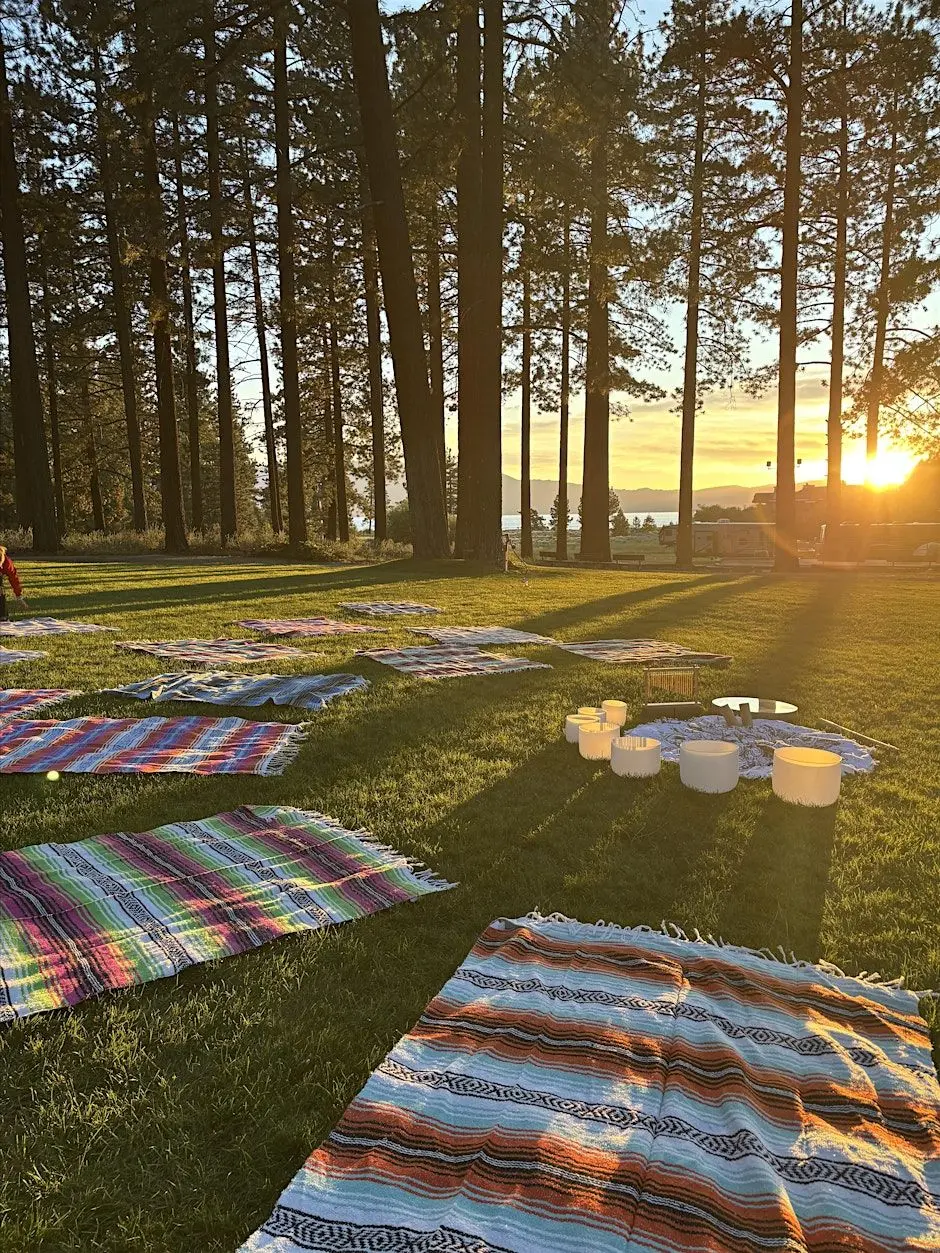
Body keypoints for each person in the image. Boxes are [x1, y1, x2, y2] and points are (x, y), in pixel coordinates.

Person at [0, 545, 28, 622]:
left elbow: (14, 579)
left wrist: (19, 596)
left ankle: (2, 616)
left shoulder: (7, 563)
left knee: (1, 591)